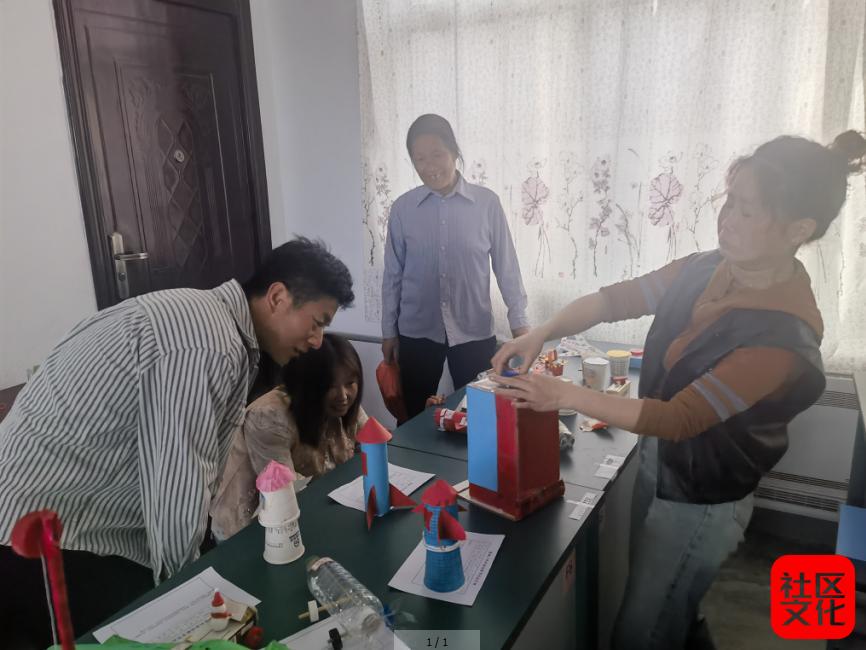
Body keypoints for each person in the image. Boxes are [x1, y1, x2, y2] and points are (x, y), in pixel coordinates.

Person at [491, 131, 866, 649]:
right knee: (669, 611)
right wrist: (542, 332)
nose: (727, 219)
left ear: (798, 229)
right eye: (729, 201)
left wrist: (564, 395)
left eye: (748, 211)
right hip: (661, 461)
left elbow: (680, 417)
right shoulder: (704, 268)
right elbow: (615, 300)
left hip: (702, 498)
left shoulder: (782, 334)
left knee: (644, 631)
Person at [0, 237, 353, 648]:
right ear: (277, 297)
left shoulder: (214, 325)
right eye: (316, 322)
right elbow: (177, 488)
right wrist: (188, 610)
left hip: (88, 519)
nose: (318, 341)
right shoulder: (208, 344)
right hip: (38, 530)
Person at [381, 113, 530, 420]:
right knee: (412, 419)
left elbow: (507, 268)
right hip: (417, 332)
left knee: (480, 417)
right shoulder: (403, 209)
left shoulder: (487, 204)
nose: (429, 166)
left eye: (437, 154)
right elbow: (393, 275)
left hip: (474, 330)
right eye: (420, 158)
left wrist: (521, 326)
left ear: (454, 151)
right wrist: (388, 332)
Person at [211, 333, 368, 540]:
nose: (343, 395)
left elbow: (373, 440)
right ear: (309, 384)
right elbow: (283, 493)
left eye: (350, 383)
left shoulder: (343, 405)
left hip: (317, 507)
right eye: (331, 385)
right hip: (253, 529)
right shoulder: (269, 417)